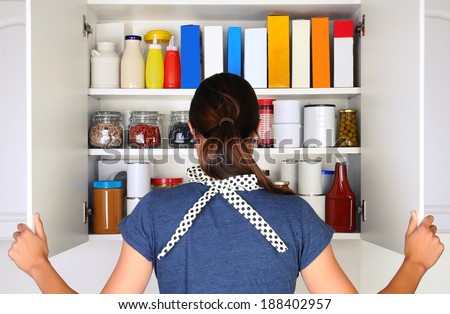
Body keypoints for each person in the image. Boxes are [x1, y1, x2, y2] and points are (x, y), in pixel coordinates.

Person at [8, 73, 444, 294]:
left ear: (194, 134)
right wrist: (416, 264)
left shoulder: (157, 211)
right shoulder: (294, 214)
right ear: (256, 134)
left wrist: (38, 266)